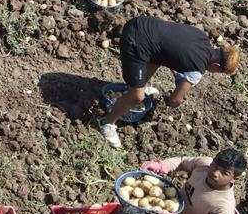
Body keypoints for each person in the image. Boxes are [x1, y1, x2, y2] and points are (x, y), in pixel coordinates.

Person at [98, 15, 240, 148]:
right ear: (216, 66)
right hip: (136, 42)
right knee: (138, 96)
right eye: (219, 72)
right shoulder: (197, 69)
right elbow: (173, 100)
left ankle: (136, 86)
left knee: (157, 59)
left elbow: (173, 50)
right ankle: (107, 123)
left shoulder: (202, 37)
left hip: (141, 23)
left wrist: (179, 78)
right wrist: (177, 100)